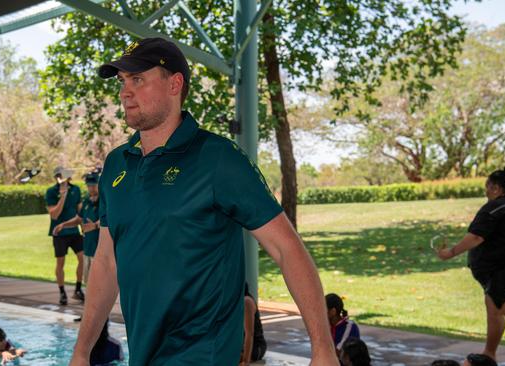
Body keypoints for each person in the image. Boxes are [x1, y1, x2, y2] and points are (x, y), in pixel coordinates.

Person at [69, 37, 337, 365]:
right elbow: (108, 262)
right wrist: (82, 351)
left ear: (175, 84)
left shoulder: (218, 159)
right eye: (123, 82)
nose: (125, 92)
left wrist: (323, 350)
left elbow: (287, 248)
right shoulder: (116, 165)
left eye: (137, 80)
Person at [436, 164, 505, 361]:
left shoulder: (495, 207)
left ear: (496, 188)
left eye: (487, 186)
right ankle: (489, 355)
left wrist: (449, 253)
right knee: (494, 313)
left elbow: (475, 237)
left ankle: (489, 355)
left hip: (502, 273)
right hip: (504, 271)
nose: (486, 191)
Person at [46, 166, 85, 305]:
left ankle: (78, 289)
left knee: (83, 259)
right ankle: (62, 292)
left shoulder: (76, 190)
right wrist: (63, 196)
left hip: (74, 232)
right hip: (59, 233)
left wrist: (83, 229)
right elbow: (54, 215)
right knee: (60, 262)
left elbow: (80, 211)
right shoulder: (51, 192)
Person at [240, 283, 266, 365]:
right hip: (241, 345)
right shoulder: (236, 302)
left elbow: (249, 334)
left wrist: (246, 360)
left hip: (255, 346)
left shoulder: (246, 301)